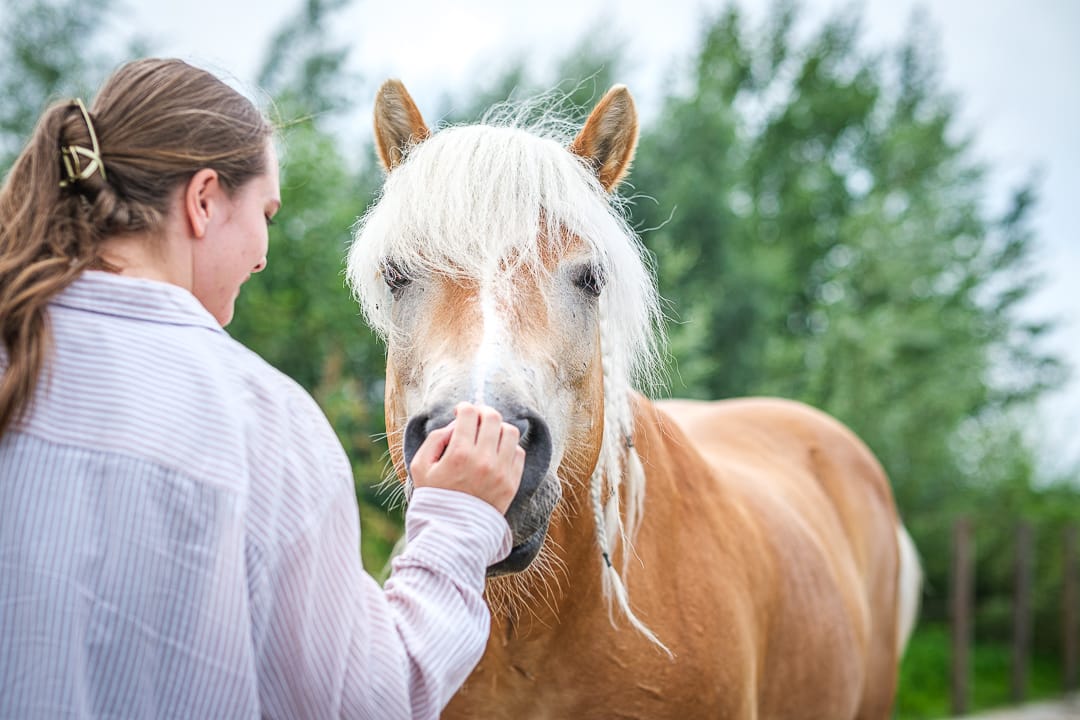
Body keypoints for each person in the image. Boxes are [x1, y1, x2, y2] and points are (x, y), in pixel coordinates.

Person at [0, 58, 524, 719]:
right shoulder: (264, 425)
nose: (263, 254)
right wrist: (456, 520)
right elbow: (368, 702)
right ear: (203, 200)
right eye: (267, 214)